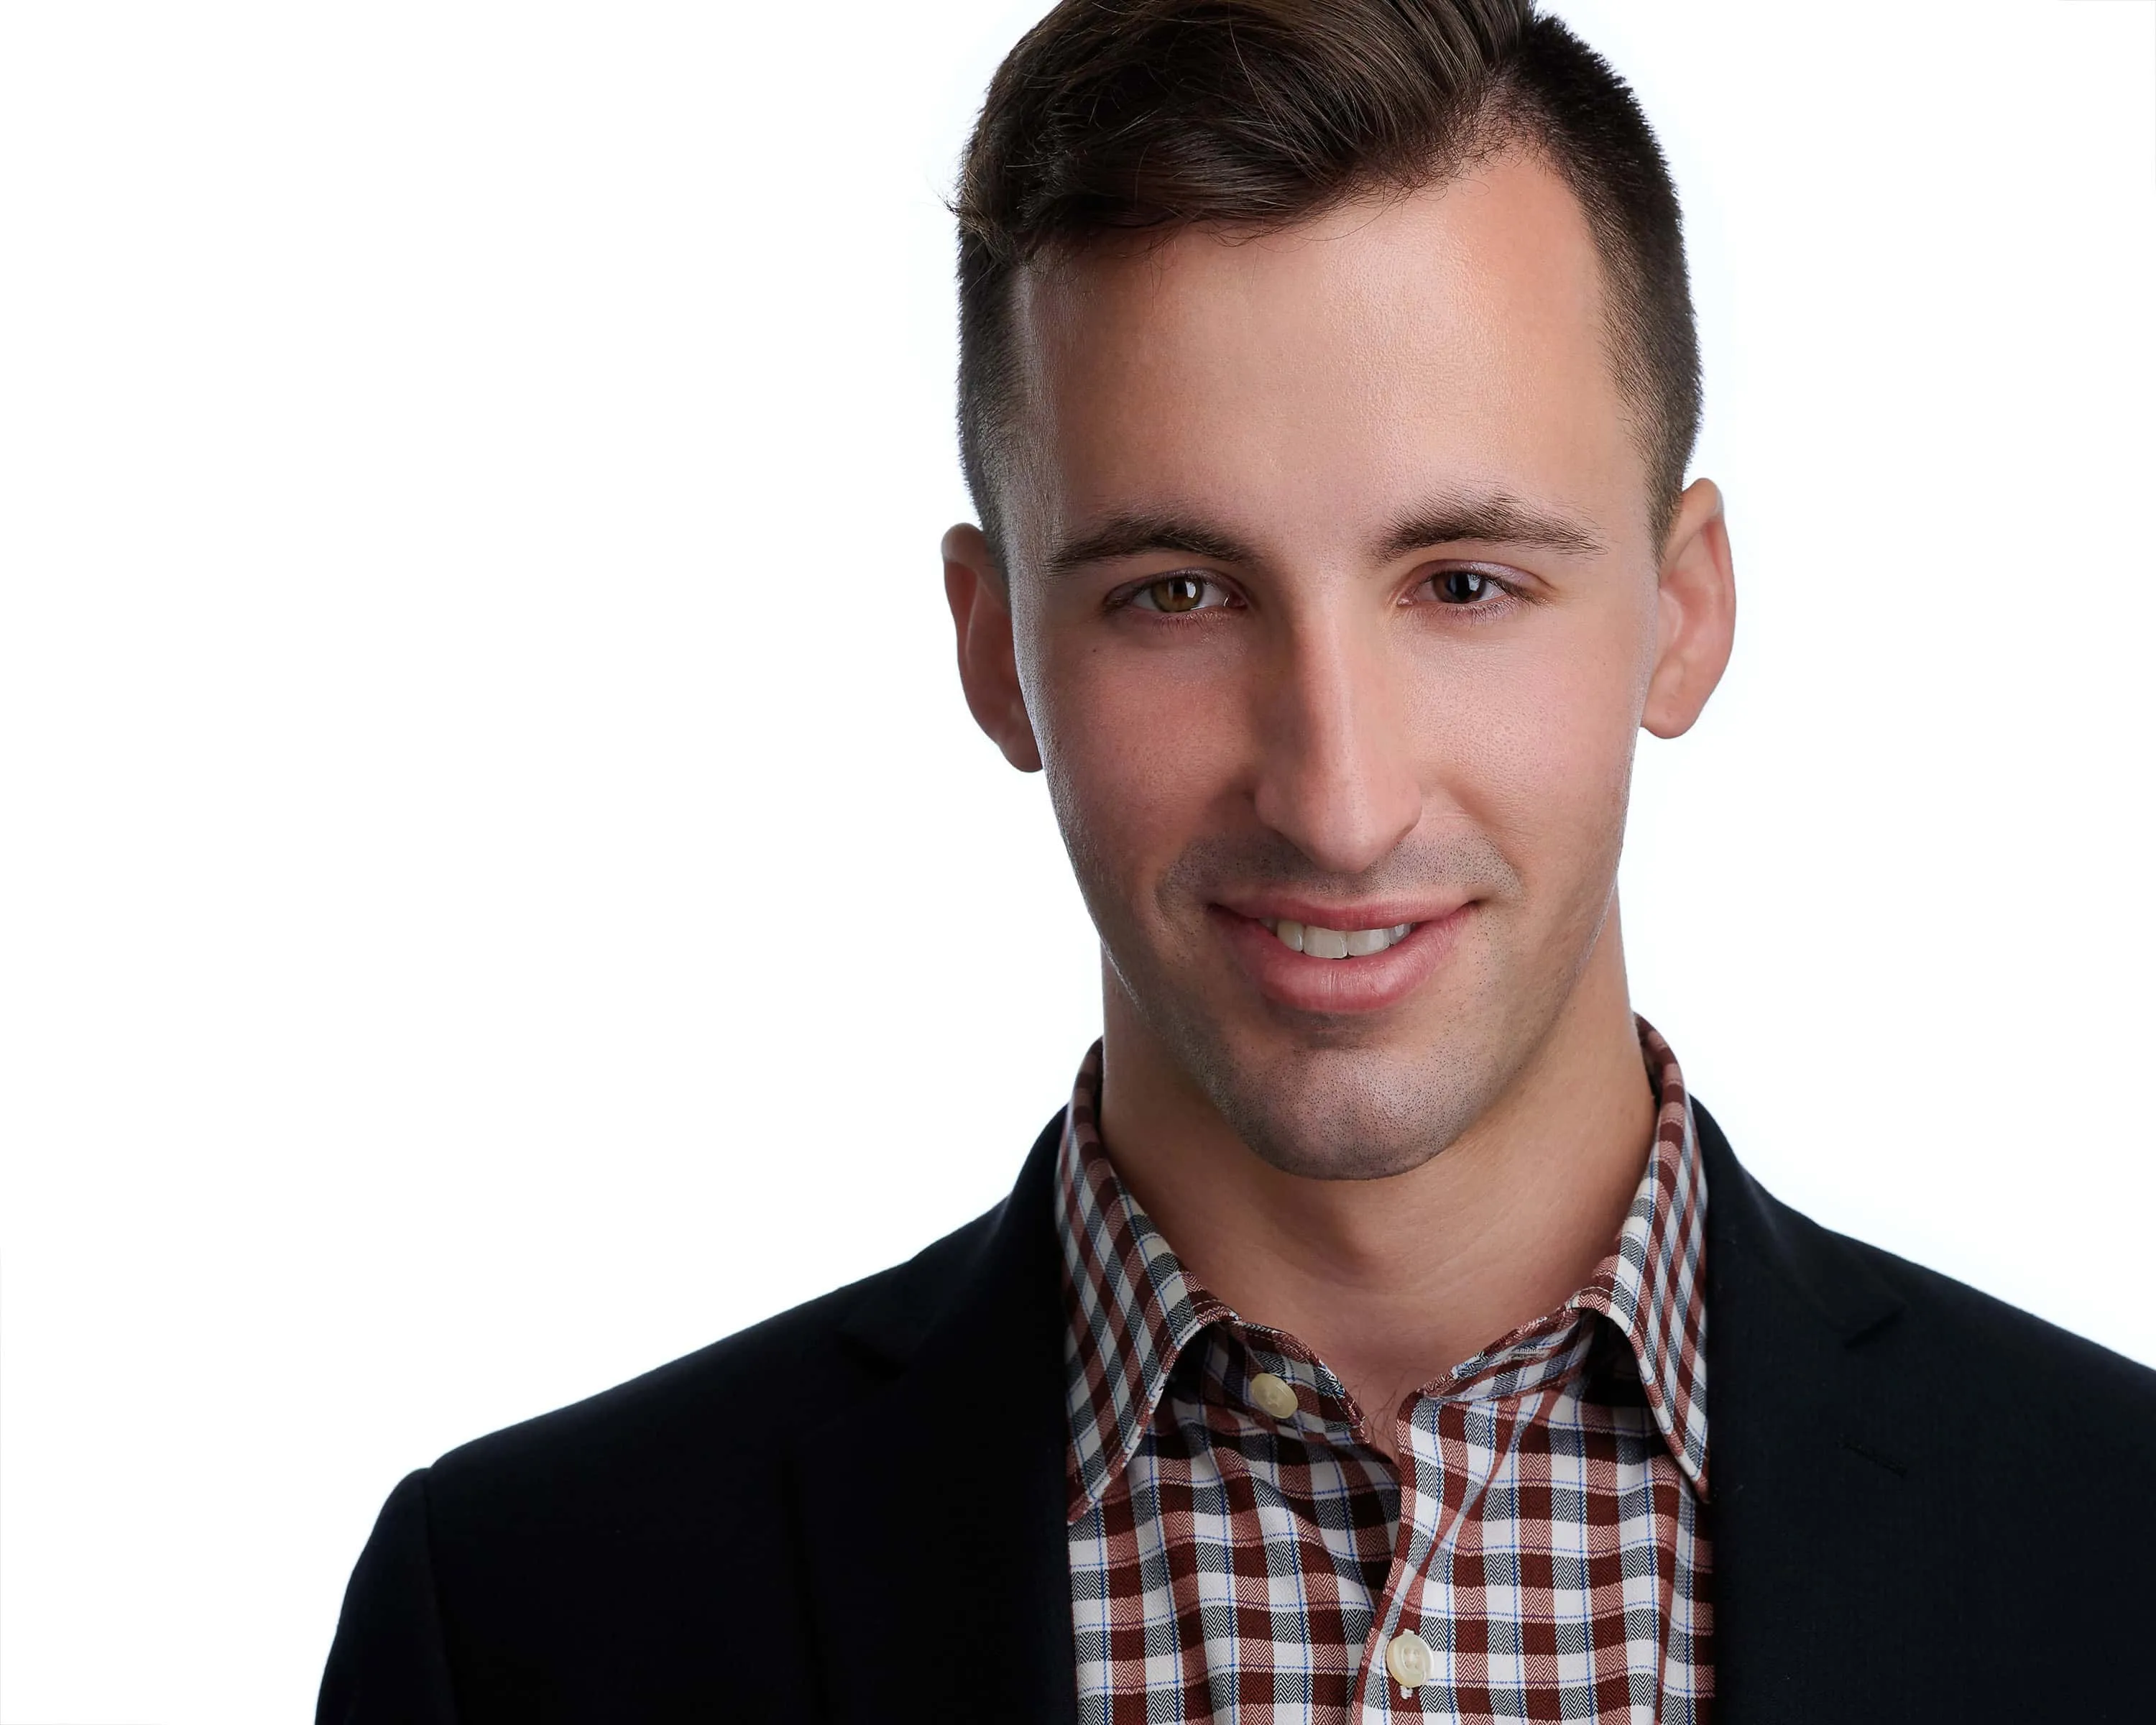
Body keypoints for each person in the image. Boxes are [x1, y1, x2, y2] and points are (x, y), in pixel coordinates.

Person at [315, 1, 2156, 1720]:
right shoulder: (527, 1623)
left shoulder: (2121, 1558)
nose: (1339, 803)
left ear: (1682, 613)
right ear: (994, 651)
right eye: (1178, 595)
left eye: (1463, 584)